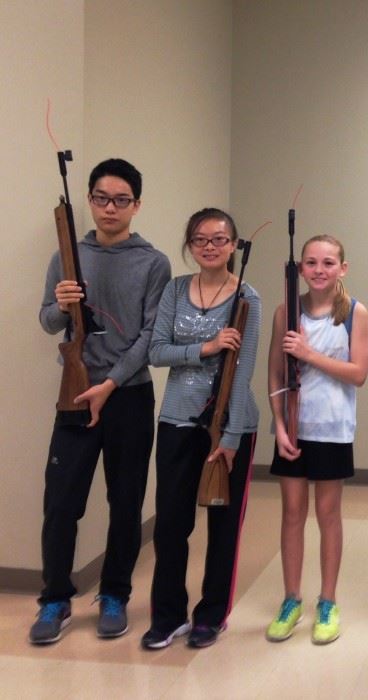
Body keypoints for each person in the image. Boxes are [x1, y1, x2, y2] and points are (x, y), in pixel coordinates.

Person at [31, 158, 171, 645]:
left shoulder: (153, 262)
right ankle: (54, 600)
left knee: (126, 502)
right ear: (89, 200)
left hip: (128, 396)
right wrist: (61, 302)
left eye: (121, 200)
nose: (110, 208)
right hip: (74, 391)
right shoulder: (66, 255)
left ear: (136, 204)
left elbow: (152, 335)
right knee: (60, 503)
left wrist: (109, 383)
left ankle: (114, 595)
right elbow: (49, 322)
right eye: (101, 198)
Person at [142, 208, 261, 650]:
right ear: (189, 245)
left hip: (232, 429)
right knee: (171, 525)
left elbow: (243, 369)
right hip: (176, 421)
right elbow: (157, 352)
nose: (209, 246)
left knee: (224, 526)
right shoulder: (175, 290)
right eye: (200, 239)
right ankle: (168, 616)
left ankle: (212, 614)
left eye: (219, 239)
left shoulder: (249, 297)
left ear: (233, 244)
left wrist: (229, 437)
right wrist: (207, 347)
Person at [265, 234, 368, 645]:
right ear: (300, 269)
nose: (319, 270)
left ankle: (327, 601)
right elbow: (274, 372)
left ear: (342, 268)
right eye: (311, 263)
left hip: (332, 428)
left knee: (328, 513)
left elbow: (358, 373)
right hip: (294, 427)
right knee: (292, 512)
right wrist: (277, 422)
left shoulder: (355, 313)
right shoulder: (285, 313)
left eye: (328, 263)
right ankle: (291, 599)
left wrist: (308, 355)